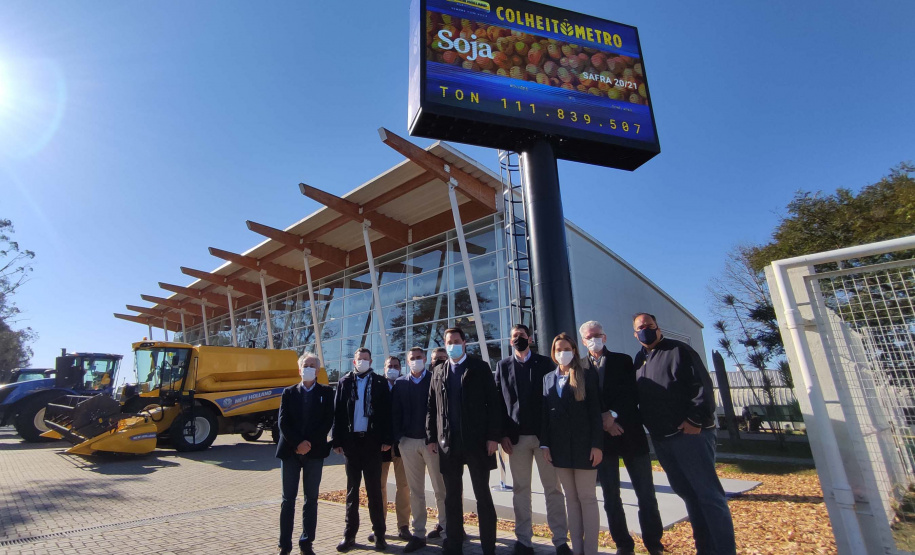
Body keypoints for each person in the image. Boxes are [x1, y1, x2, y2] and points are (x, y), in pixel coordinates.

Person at [632, 313, 736, 555]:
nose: (645, 330)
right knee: (689, 495)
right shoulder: (640, 360)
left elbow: (701, 386)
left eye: (649, 326)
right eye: (640, 328)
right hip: (662, 438)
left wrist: (694, 419)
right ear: (635, 334)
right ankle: (705, 548)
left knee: (708, 496)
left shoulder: (678, 351)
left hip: (690, 434)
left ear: (658, 328)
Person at [579, 320, 664, 555]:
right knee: (610, 497)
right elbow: (582, 401)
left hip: (629, 434)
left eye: (597, 334)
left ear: (604, 337)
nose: (593, 339)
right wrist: (603, 419)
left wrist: (613, 416)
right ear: (583, 341)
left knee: (645, 493)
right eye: (588, 336)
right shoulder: (580, 367)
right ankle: (623, 544)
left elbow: (631, 393)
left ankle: (654, 543)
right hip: (603, 440)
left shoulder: (623, 360)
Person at [495, 324, 571, 555]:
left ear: (530, 339)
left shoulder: (546, 363)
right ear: (510, 341)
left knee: (553, 490)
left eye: (522, 336)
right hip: (515, 440)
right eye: (515, 336)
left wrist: (552, 436)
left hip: (543, 438)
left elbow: (553, 401)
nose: (519, 339)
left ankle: (560, 540)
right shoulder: (502, 365)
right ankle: (524, 540)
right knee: (521, 490)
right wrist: (502, 435)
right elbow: (498, 403)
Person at [426, 327, 501, 555]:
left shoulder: (479, 368)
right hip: (448, 444)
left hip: (477, 443)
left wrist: (493, 437)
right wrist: (431, 438)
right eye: (449, 342)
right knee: (452, 498)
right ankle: (454, 545)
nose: (452, 345)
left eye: (456, 341)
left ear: (465, 343)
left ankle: (489, 547)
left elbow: (494, 404)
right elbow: (431, 408)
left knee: (482, 496)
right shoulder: (438, 371)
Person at [541, 333, 603, 555]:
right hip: (559, 449)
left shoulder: (586, 374)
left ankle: (591, 550)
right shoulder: (547, 378)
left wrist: (597, 445)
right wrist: (545, 445)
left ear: (574, 350)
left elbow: (595, 412)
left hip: (585, 447)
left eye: (566, 348)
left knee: (587, 499)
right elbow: (546, 416)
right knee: (571, 500)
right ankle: (577, 549)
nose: (562, 353)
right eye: (558, 349)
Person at [332, 348, 393, 552]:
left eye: (366, 359)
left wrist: (387, 439)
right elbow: (338, 412)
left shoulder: (379, 382)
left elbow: (386, 413)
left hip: (372, 443)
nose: (363, 362)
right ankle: (349, 535)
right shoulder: (345, 382)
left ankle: (379, 535)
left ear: (371, 361)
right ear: (354, 361)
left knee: (374, 491)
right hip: (351, 443)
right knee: (352, 492)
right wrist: (337, 440)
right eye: (360, 359)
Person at [276, 352, 335, 555]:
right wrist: (298, 443)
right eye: (305, 365)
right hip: (290, 453)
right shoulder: (288, 393)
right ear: (299, 369)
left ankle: (306, 543)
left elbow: (327, 421)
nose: (308, 368)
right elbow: (283, 422)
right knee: (288, 500)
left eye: (312, 365)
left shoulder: (327, 393)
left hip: (314, 452)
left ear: (318, 370)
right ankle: (284, 545)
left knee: (311, 500)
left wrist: (308, 444)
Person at [393, 347, 448, 552]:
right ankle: (418, 534)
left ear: (425, 359)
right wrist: (399, 439)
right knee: (415, 491)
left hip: (431, 443)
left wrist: (436, 438)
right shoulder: (400, 383)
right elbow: (395, 412)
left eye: (419, 357)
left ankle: (446, 532)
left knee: (440, 488)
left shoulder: (434, 379)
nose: (415, 360)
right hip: (408, 443)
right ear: (407, 362)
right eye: (412, 358)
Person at [378, 356, 412, 543]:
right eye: (389, 366)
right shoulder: (377, 386)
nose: (392, 369)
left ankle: (403, 526)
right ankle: (379, 526)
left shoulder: (404, 385)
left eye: (396, 366)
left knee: (404, 486)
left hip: (401, 444)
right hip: (381, 445)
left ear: (401, 368)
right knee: (379, 486)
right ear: (384, 368)